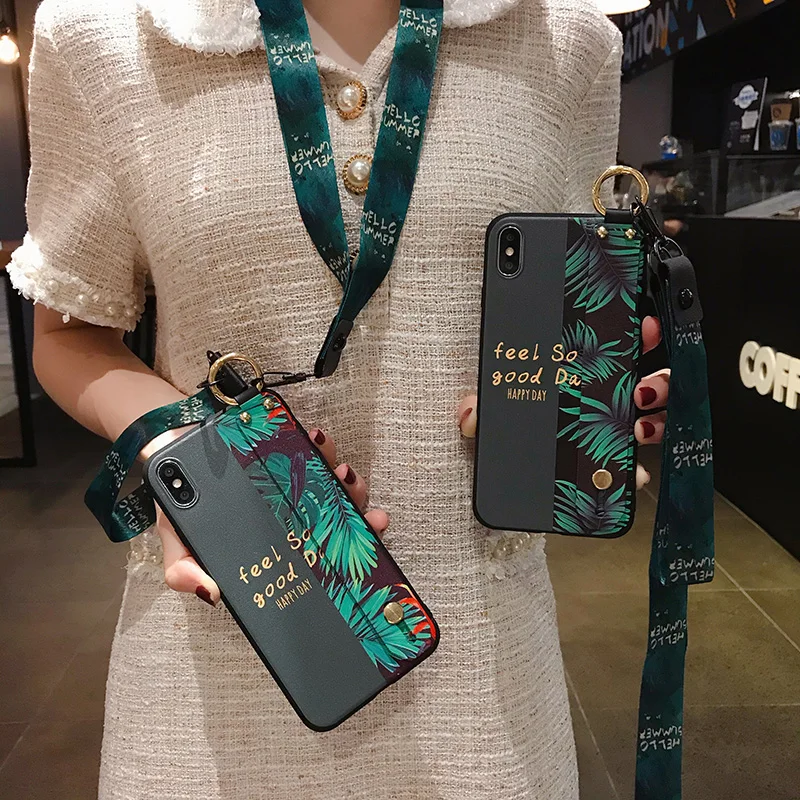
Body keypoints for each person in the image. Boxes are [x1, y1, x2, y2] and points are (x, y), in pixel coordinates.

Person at [9, 0, 669, 797]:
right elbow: (69, 334)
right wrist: (176, 444)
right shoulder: (103, 39)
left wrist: (578, 401)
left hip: (487, 685)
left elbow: (564, 312)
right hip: (225, 638)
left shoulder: (569, 43)